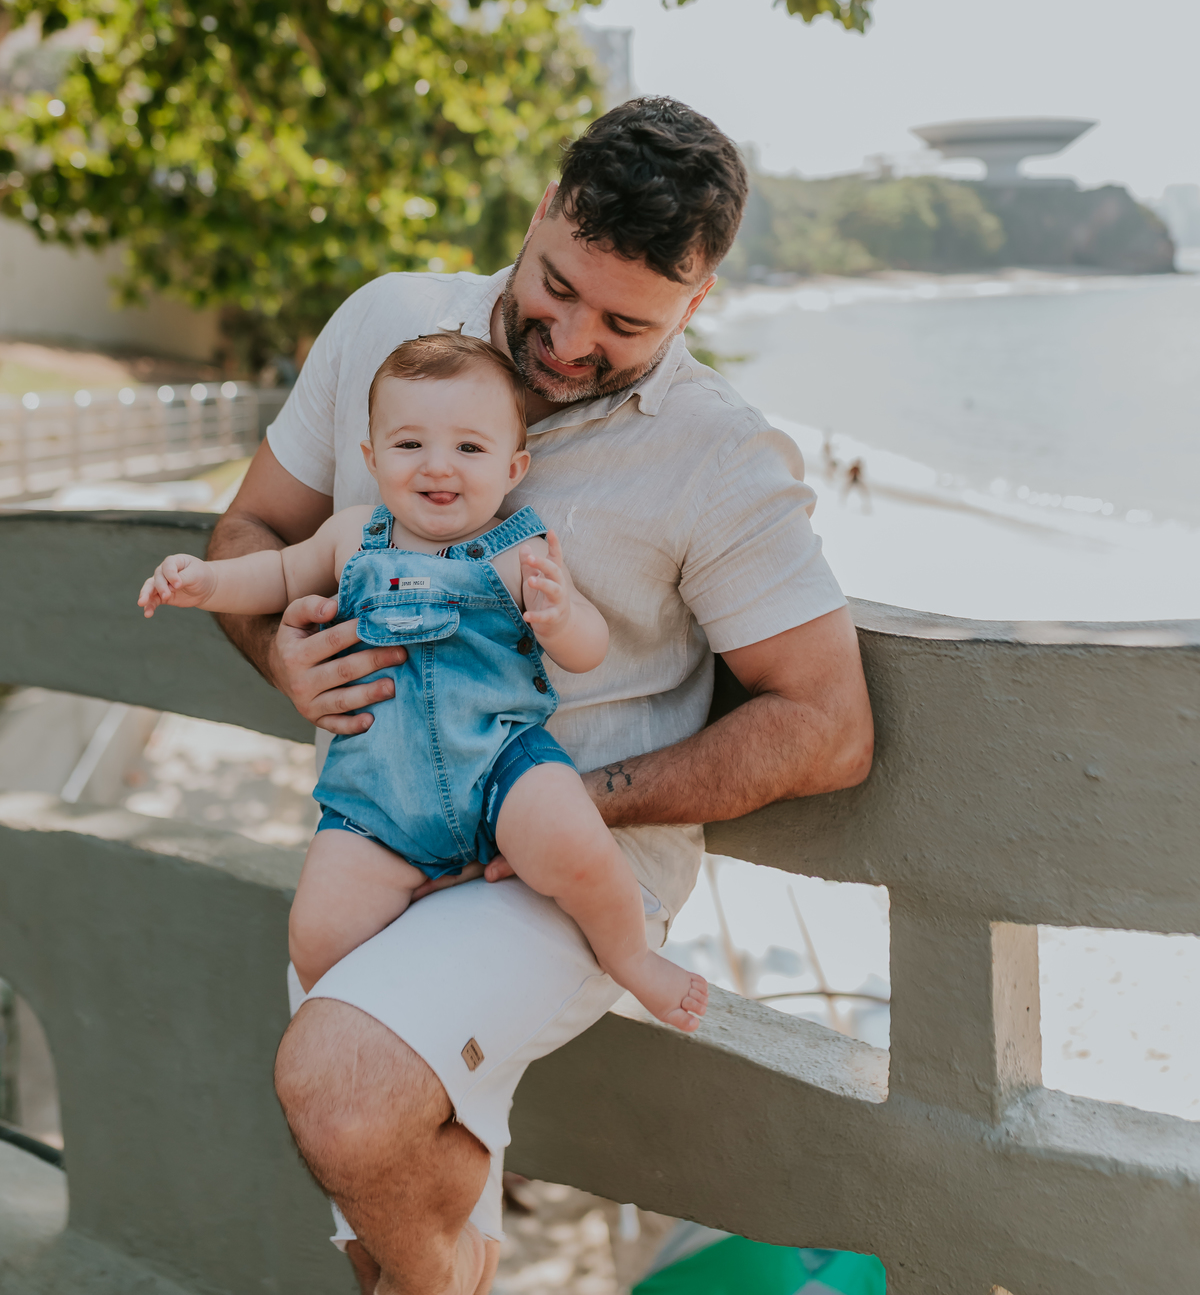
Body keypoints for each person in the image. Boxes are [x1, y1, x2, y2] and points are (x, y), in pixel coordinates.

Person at [207, 97, 874, 1295]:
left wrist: (560, 804)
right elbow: (255, 528)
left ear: (696, 303)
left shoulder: (722, 456)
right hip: (377, 827)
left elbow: (829, 726)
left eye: (625, 322)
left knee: (341, 1094)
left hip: (567, 872)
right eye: (556, 287)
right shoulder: (387, 325)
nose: (568, 341)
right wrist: (278, 651)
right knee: (376, 1225)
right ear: (540, 211)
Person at [138, 332, 708, 1032]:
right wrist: (207, 582)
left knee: (579, 848)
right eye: (409, 445)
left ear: (512, 467)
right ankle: (354, 1016)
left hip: (501, 768)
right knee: (316, 936)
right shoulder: (353, 537)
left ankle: (632, 959)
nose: (438, 466)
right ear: (372, 459)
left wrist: (561, 618)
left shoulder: (518, 552)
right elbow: (279, 574)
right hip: (377, 798)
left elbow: (589, 650)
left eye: (469, 448)